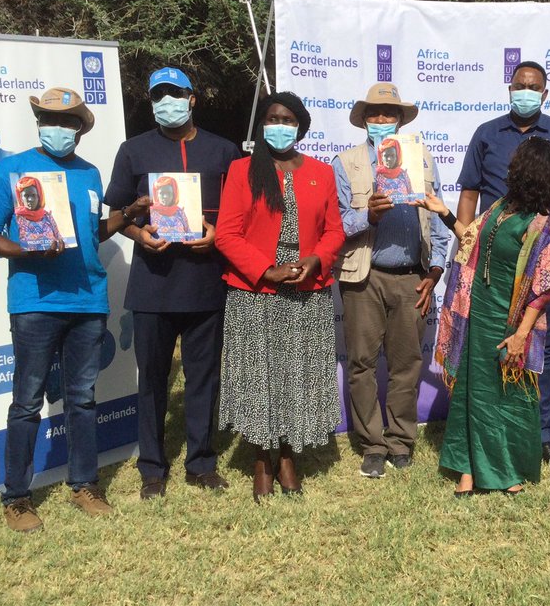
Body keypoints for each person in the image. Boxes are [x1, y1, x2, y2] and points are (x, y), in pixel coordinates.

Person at [0, 87, 150, 533]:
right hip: (35, 302)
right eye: (51, 120)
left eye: (69, 122)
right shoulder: (10, 171)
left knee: (82, 398)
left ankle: (84, 485)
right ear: (39, 123)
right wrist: (25, 250)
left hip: (88, 300)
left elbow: (92, 231)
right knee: (26, 401)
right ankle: (17, 496)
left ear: (80, 128)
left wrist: (127, 212)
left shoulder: (90, 173)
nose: (60, 129)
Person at [104, 67, 241, 500]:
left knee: (204, 377)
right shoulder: (133, 150)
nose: (167, 102)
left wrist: (218, 236)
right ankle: (152, 468)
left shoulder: (224, 151)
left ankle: (201, 462)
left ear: (192, 98)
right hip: (153, 284)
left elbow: (239, 213)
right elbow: (117, 215)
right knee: (153, 380)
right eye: (158, 96)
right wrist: (138, 234)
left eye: (175, 94)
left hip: (206, 284)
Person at [457, 61, 550, 468]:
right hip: (494, 259)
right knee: (492, 341)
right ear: (509, 89)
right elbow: (469, 192)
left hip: (546, 257)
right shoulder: (487, 134)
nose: (526, 92)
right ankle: (492, 426)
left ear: (545, 93)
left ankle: (541, 433)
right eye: (520, 85)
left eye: (534, 87)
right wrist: (464, 241)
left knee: (542, 345)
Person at [215, 91, 346, 500]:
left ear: (300, 127)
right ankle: (260, 457)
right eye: (272, 118)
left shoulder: (321, 173)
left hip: (306, 289)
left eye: (288, 119)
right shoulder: (242, 170)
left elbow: (334, 231)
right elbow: (227, 234)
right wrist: (265, 269)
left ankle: (288, 454)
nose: (279, 125)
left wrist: (315, 260)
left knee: (296, 374)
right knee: (259, 377)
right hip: (256, 290)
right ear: (262, 125)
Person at [433, 136, 550, 495]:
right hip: (474, 315)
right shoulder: (498, 208)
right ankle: (468, 470)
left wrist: (522, 334)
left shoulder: (538, 225)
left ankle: (507, 471)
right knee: (471, 392)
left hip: (508, 321)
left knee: (506, 395)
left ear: (527, 171)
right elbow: (469, 243)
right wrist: (443, 213)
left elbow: (546, 286)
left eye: (516, 162)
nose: (508, 167)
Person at [332, 82, 450, 479]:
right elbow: (335, 225)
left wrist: (435, 272)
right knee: (362, 364)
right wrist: (370, 215)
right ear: (363, 120)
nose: (382, 120)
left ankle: (400, 439)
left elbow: (436, 222)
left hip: (412, 278)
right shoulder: (346, 162)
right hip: (363, 278)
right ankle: (372, 444)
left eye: (389, 114)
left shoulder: (421, 160)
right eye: (374, 114)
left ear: (400, 120)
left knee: (406, 363)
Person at [13, 175, 63, 249]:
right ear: (21, 198)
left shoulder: (47, 216)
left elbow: (59, 237)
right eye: (26, 196)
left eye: (33, 195)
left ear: (39, 197)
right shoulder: (16, 218)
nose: (30, 199)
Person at [150, 174, 193, 239]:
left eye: (168, 193)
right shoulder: (151, 212)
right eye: (162, 193)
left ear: (174, 194)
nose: (165, 196)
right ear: (157, 194)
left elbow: (188, 232)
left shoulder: (179, 212)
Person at [374, 136, 414, 200]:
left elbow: (411, 195)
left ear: (397, 157)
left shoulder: (403, 174)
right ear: (381, 157)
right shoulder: (376, 175)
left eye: (392, 155)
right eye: (386, 156)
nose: (389, 159)